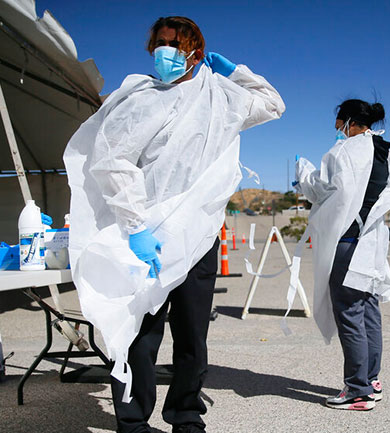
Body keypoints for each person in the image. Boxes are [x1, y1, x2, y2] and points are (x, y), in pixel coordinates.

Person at [63, 16, 284, 433]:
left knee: (192, 335)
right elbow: (113, 162)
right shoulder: (141, 98)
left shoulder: (221, 97)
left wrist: (235, 72)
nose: (165, 51)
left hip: (199, 235)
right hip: (148, 233)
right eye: (160, 43)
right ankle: (133, 422)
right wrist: (135, 227)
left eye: (175, 44)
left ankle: (186, 415)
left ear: (196, 52)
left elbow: (272, 103)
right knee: (140, 333)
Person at [294, 99, 390, 410]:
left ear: (350, 122)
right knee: (368, 311)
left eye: (339, 123)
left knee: (349, 313)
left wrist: (303, 174)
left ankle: (358, 391)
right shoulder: (382, 151)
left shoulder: (344, 151)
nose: (337, 129)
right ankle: (371, 380)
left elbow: (328, 191)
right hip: (370, 242)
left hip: (348, 241)